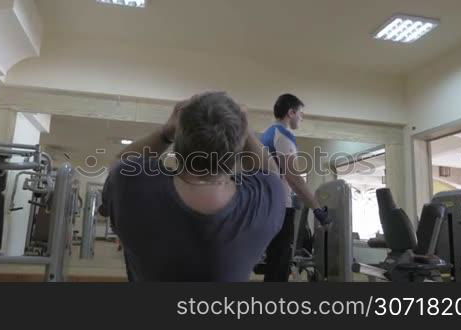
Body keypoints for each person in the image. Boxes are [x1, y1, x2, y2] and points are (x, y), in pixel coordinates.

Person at [102, 92, 286, 282]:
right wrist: (245, 132)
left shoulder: (130, 185)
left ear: (178, 141)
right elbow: (271, 173)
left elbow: (119, 164)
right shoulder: (263, 200)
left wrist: (166, 133)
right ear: (238, 148)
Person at [260, 93, 331, 282]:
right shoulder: (283, 134)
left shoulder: (268, 132)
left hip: (269, 204)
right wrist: (317, 209)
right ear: (291, 112)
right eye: (300, 113)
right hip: (279, 206)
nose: (302, 117)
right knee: (279, 264)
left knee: (276, 262)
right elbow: (294, 177)